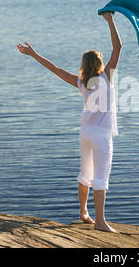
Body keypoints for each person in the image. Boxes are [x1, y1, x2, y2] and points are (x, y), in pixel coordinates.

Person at [17, 12, 122, 233]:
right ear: (101, 64)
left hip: (85, 133)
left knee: (86, 173)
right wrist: (110, 20)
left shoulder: (80, 82)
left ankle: (84, 213)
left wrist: (34, 54)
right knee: (100, 178)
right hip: (102, 135)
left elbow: (54, 68)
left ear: (84, 65)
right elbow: (118, 47)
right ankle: (100, 223)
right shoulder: (106, 77)